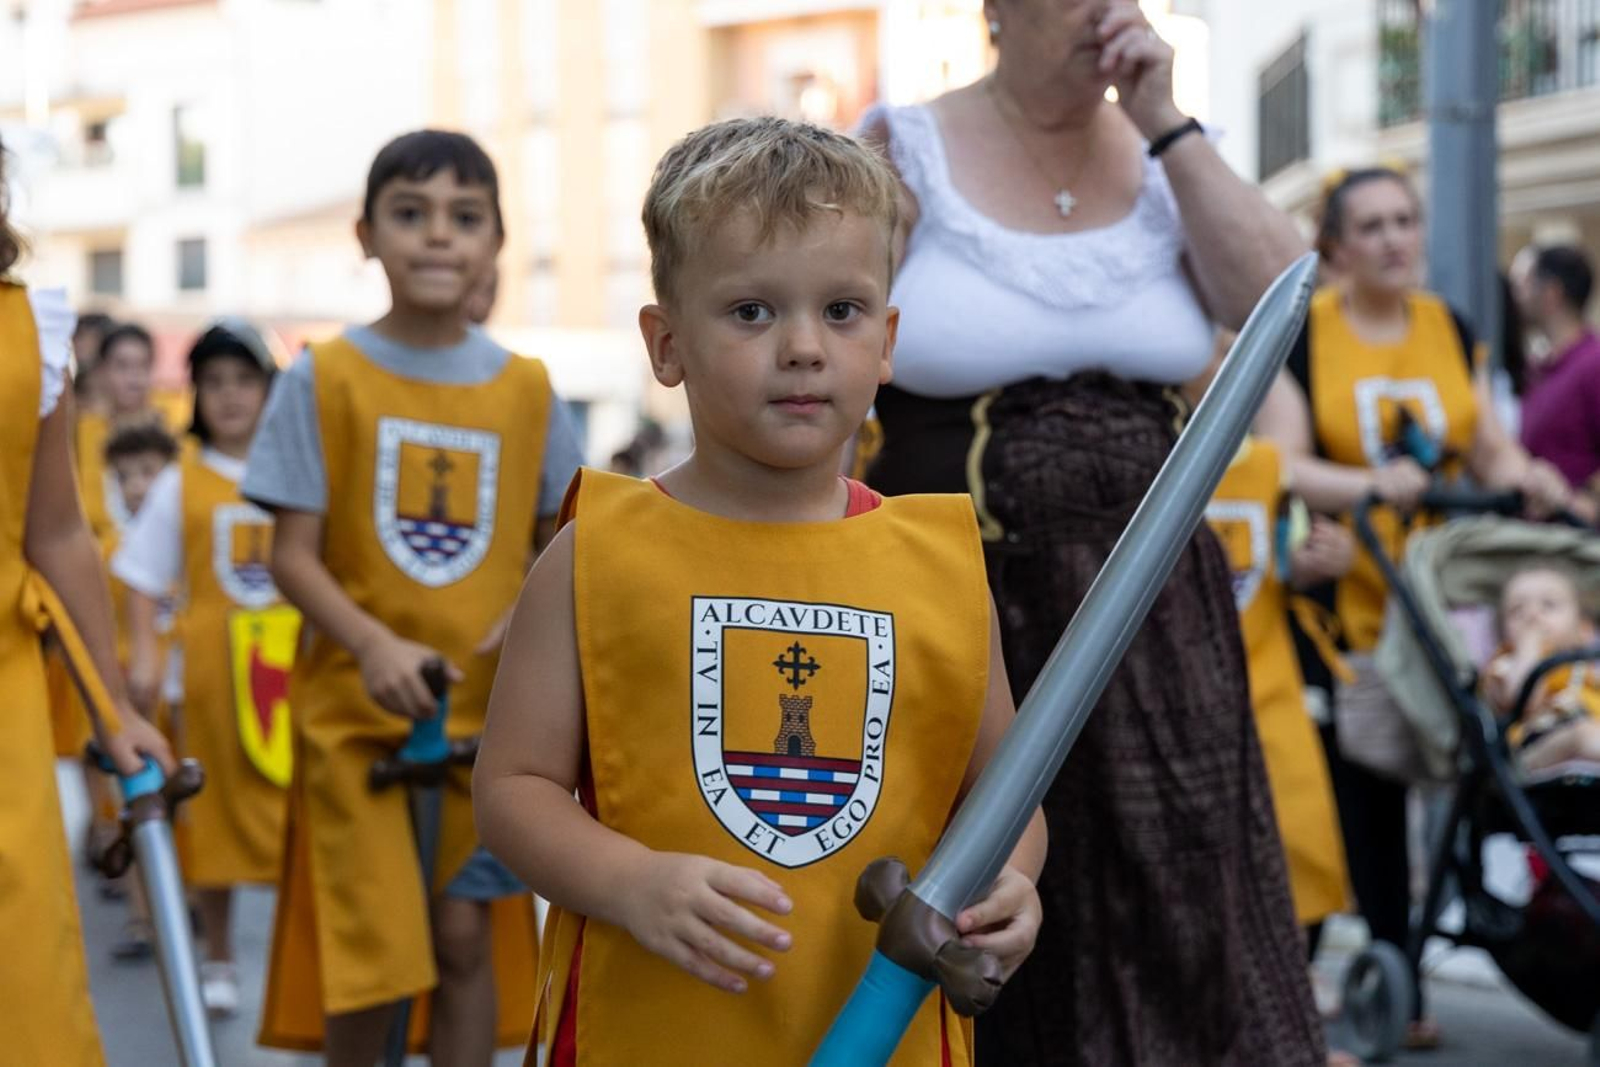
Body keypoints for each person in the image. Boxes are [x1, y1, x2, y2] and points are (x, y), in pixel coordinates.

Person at [474, 115, 1047, 1067]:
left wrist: (1010, 885)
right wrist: (630, 881)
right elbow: (512, 788)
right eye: (751, 311)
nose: (802, 347)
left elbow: (1005, 795)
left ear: (888, 339)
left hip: (882, 1023)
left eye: (842, 310)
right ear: (666, 344)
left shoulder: (942, 564)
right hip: (651, 1026)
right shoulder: (594, 553)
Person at [858, 2, 1322, 1063]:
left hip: (1155, 621)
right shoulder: (904, 145)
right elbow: (826, 331)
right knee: (1000, 895)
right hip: (968, 600)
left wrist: (1164, 118)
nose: (1107, 11)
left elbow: (1283, 300)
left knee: (1178, 891)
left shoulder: (1166, 158)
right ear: (994, 12)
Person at [244, 129, 585, 1066]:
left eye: (464, 218)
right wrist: (372, 644)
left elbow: (568, 536)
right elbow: (292, 554)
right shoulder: (322, 377)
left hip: (489, 729)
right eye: (411, 214)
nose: (438, 237)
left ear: (496, 241)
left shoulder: (527, 388)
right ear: (365, 234)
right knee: (376, 956)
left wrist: (528, 611)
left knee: (467, 937)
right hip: (355, 724)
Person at [1257, 164, 1572, 1049]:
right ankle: (1364, 970)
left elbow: (1490, 448)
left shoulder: (1449, 326)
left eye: (1407, 219)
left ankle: (1416, 960)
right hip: (1340, 595)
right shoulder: (1307, 335)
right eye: (1374, 226)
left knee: (1448, 775)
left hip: (1440, 598)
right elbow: (1280, 460)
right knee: (1355, 789)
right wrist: (1371, 482)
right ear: (1336, 248)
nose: (1397, 238)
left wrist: (1528, 480)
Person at [0, 131, 174, 1067]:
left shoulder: (27, 329)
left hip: (2, 716)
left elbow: (56, 531)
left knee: (18, 994)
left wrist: (112, 707)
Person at [113, 320, 290, 1017]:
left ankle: (295, 957)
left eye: (244, 380)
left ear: (269, 390)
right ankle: (218, 952)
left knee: (298, 817)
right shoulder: (179, 482)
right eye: (214, 382)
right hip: (211, 677)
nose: (230, 396)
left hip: (288, 667)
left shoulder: (301, 474)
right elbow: (140, 575)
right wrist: (148, 656)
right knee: (214, 815)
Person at [1482, 564, 1600, 773]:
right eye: (1517, 610)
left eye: (1549, 605)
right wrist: (1528, 650)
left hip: (1588, 731)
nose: (1532, 615)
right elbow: (1520, 700)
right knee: (1582, 735)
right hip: (1535, 748)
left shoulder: (1582, 667)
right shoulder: (1504, 665)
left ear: (1584, 629)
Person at [1513, 245, 1600, 523]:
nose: (1517, 298)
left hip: (1579, 548)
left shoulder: (1592, 364)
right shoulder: (1541, 369)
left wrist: (1578, 504)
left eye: (1524, 285)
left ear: (1551, 293)